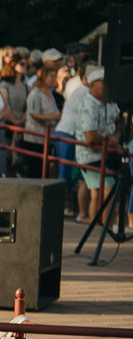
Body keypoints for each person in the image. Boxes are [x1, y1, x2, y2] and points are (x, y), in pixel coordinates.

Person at [75, 68, 120, 224]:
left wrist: (116, 136)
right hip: (90, 155)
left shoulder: (110, 101)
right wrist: (110, 141)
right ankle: (104, 226)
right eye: (103, 83)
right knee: (108, 189)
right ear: (92, 85)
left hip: (106, 153)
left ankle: (101, 225)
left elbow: (119, 120)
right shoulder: (88, 105)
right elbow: (91, 138)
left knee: (97, 193)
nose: (107, 86)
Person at [56, 64, 96, 221]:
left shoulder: (84, 90)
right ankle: (60, 208)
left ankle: (68, 207)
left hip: (71, 135)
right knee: (65, 172)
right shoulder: (84, 91)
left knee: (71, 173)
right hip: (67, 134)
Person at [21, 66, 61, 178]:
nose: (54, 79)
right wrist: (53, 116)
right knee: (35, 169)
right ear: (43, 77)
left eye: (55, 76)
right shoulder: (36, 94)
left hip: (47, 139)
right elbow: (34, 114)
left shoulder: (50, 93)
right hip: (35, 139)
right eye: (51, 76)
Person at [0, 52, 28, 176]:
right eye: (22, 64)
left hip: (20, 126)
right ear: (13, 65)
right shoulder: (4, 84)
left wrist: (22, 121)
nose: (25, 66)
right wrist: (15, 121)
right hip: (8, 124)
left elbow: (28, 107)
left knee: (17, 160)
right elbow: (5, 105)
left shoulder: (26, 87)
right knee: (8, 158)